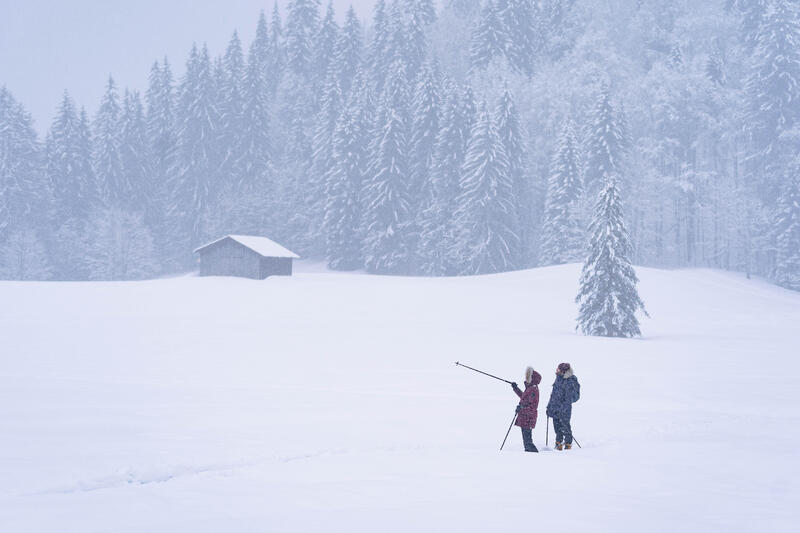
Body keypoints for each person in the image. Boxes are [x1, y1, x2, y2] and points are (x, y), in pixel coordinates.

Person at [546, 362, 580, 450]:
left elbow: (568, 399)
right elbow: (553, 395)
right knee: (557, 428)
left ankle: (568, 444)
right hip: (555, 408)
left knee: (565, 427)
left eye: (558, 369)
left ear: (563, 371)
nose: (556, 370)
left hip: (564, 410)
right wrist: (549, 407)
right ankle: (558, 444)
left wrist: (562, 410)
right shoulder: (558, 379)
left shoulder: (569, 381)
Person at [510, 367, 542, 452]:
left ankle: (533, 454)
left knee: (528, 441)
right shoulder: (530, 388)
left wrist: (521, 408)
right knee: (527, 440)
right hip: (525, 417)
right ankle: (529, 453)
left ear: (532, 378)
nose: (526, 377)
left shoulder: (533, 389)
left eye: (528, 376)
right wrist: (515, 388)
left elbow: (533, 407)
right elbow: (523, 397)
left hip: (528, 417)